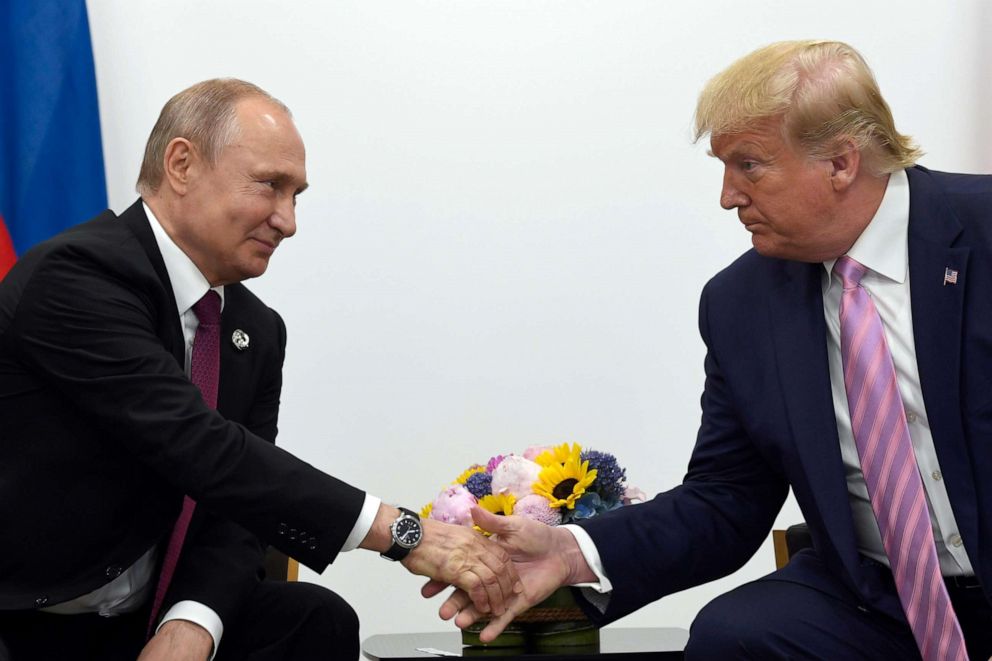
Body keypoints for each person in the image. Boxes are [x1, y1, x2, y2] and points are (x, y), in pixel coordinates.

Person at [436, 41, 992, 660]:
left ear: (840, 162)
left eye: (749, 165)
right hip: (877, 598)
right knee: (737, 636)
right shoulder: (741, 301)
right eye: (724, 168)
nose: (728, 196)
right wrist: (572, 551)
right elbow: (726, 496)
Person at [0, 79, 520, 661]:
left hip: (145, 617)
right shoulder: (76, 277)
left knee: (314, 620)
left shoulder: (256, 329)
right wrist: (403, 534)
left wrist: (192, 624)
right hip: (24, 619)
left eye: (297, 195)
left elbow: (238, 506)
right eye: (271, 186)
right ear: (181, 164)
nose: (288, 220)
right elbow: (200, 446)